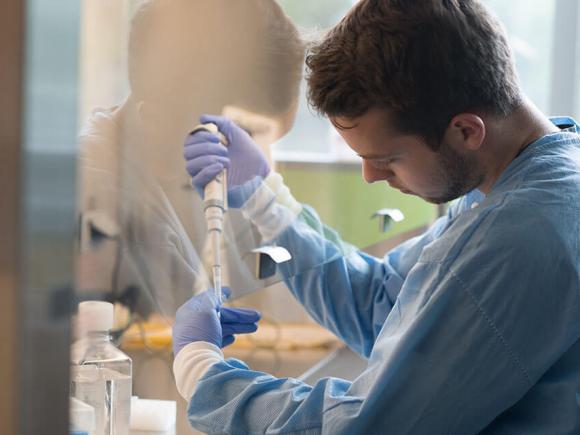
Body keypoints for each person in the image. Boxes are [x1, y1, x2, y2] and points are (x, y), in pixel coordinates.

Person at [173, 0, 580, 433]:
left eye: (387, 158)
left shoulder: (521, 233)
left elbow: (367, 427)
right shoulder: (515, 181)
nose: (370, 176)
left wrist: (200, 371)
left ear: (465, 130)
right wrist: (266, 201)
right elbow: (385, 308)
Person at [76, 0, 304, 316]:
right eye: (240, 141)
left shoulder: (227, 172)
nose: (254, 165)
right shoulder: (101, 204)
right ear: (159, 116)